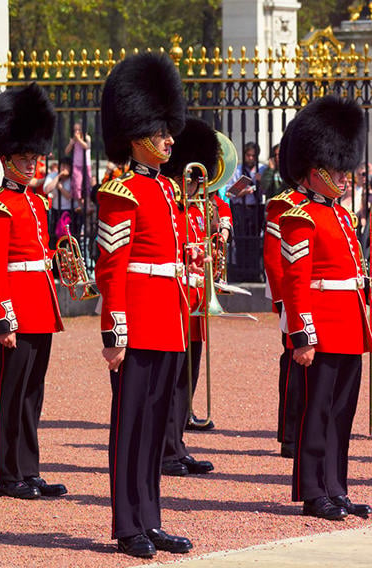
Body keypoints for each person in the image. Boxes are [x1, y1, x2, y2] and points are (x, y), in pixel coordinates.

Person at [95, 52, 194, 559]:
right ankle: (128, 523)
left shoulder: (167, 190)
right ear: (136, 136)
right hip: (137, 323)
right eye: (161, 133)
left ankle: (150, 518)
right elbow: (112, 270)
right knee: (131, 428)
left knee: (156, 430)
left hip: (169, 321)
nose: (170, 140)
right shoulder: (122, 193)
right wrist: (115, 332)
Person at [278, 95, 372, 521]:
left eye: (344, 167)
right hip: (321, 327)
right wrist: (302, 334)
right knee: (316, 411)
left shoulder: (339, 215)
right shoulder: (300, 217)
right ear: (315, 170)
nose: (344, 175)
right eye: (337, 169)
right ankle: (312, 489)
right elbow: (296, 282)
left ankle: (336, 486)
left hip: (349, 325)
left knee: (341, 413)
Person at [0, 83, 67, 501]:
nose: (31, 164)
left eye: (34, 156)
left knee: (33, 392)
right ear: (7, 159)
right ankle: (9, 474)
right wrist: (2, 319)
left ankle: (29, 469)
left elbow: (37, 254)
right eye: (24, 158)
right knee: (12, 394)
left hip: (40, 305)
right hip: (16, 310)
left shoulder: (35, 203)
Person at [158, 116, 221, 476]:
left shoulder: (196, 210)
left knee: (187, 378)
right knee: (171, 379)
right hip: (177, 301)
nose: (199, 184)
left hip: (195, 304)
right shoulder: (174, 206)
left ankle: (178, 442)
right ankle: (167, 447)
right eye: (196, 177)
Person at [263, 132, 307, 459]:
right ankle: (291, 435)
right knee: (294, 362)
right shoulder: (284, 203)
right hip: (292, 296)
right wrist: (282, 301)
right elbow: (273, 258)